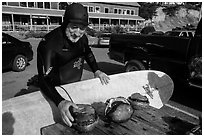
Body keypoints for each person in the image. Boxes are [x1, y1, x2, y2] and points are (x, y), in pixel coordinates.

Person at [37, 3, 110, 127]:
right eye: (74, 27)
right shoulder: (49, 44)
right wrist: (60, 102)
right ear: (65, 23)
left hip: (74, 86)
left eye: (82, 28)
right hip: (55, 91)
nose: (77, 33)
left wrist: (96, 70)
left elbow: (88, 53)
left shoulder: (83, 38)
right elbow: (43, 79)